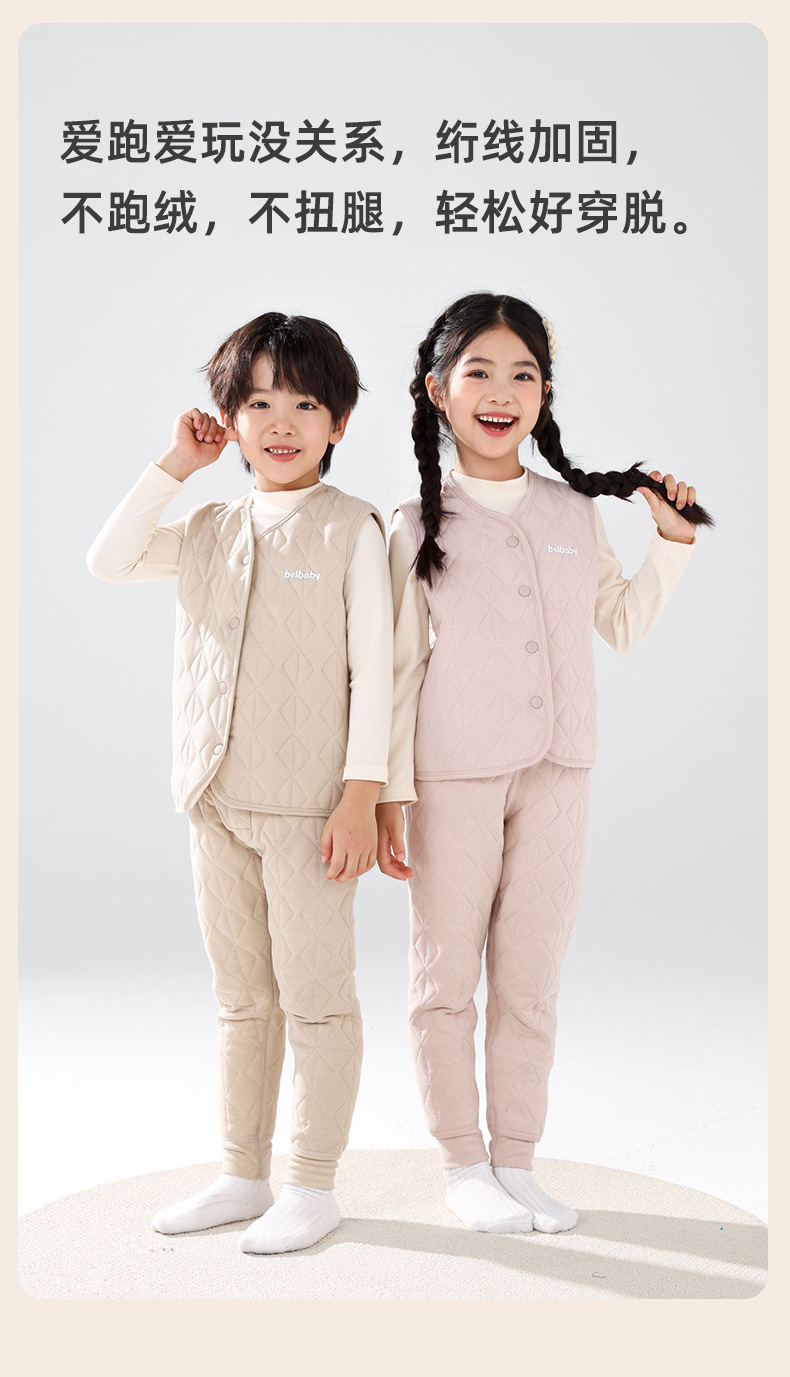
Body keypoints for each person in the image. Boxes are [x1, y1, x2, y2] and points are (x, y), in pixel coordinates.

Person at [375, 292, 711, 1235]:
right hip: (450, 776)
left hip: (561, 772)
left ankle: (516, 1160)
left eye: (522, 373)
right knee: (445, 977)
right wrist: (388, 793)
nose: (501, 392)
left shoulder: (574, 512)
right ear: (437, 391)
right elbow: (394, 670)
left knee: (530, 979)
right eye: (478, 371)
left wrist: (673, 542)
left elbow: (622, 625)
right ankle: (462, 1164)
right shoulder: (412, 522)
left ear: (546, 393)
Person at [87, 311, 392, 1254]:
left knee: (317, 997)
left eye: (304, 403)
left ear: (339, 421)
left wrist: (362, 793)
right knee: (242, 998)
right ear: (230, 418)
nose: (281, 422)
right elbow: (108, 559)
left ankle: (312, 1183)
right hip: (215, 799)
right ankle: (242, 1173)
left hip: (311, 811)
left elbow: (377, 672)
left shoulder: (353, 528)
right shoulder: (209, 526)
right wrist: (176, 466)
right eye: (257, 403)